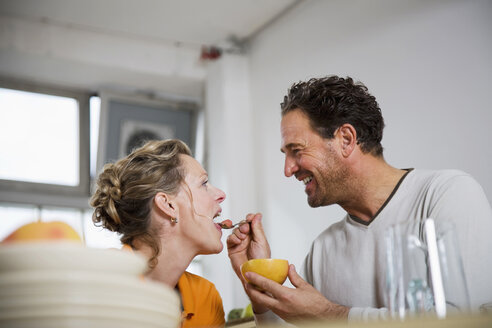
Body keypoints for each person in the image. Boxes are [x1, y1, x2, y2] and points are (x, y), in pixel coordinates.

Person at [227, 76, 492, 323]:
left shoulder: (447, 194)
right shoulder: (323, 250)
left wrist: (328, 314)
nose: (288, 169)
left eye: (296, 150)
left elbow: (464, 320)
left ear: (345, 139)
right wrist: (257, 283)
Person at [90, 139, 227, 328]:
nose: (221, 194)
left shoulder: (206, 298)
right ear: (168, 205)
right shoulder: (100, 283)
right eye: (204, 183)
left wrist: (261, 298)